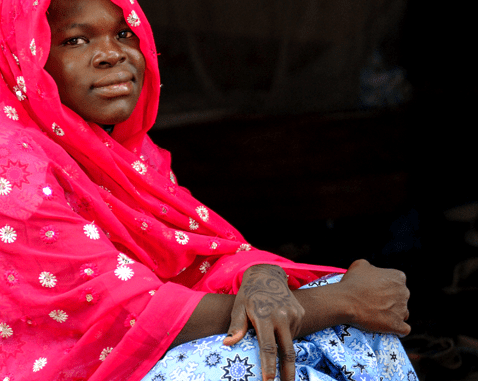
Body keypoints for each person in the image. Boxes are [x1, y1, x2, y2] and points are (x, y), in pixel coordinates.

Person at [0, 0, 417, 379]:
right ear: (23, 57)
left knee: (352, 331)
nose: (113, 54)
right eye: (75, 39)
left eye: (125, 33)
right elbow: (121, 312)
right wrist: (341, 301)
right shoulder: (12, 161)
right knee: (248, 363)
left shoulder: (121, 155)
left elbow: (191, 260)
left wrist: (259, 275)